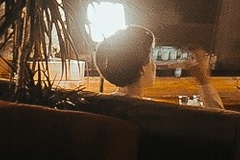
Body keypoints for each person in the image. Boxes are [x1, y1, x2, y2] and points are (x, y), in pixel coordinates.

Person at [94, 25, 223, 108]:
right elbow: (220, 128)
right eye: (151, 57)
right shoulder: (156, 113)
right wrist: (204, 81)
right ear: (142, 68)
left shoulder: (98, 106)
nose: (154, 64)